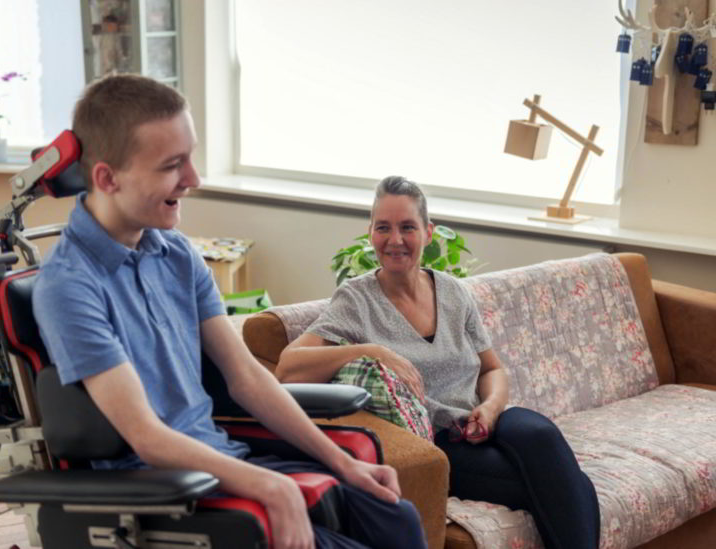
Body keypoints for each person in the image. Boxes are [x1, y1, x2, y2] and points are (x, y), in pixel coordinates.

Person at [32, 75, 427, 549]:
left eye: (191, 157)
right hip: (163, 487)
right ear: (106, 178)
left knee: (395, 518)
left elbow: (247, 376)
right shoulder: (70, 286)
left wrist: (344, 462)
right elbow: (145, 436)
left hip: (224, 455)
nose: (194, 180)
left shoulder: (176, 254)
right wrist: (271, 488)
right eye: (172, 165)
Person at [277, 175, 601, 549]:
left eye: (407, 227)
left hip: (486, 423)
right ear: (370, 233)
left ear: (428, 233)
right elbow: (288, 367)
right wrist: (370, 351)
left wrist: (491, 408)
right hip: (440, 443)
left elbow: (492, 368)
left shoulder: (452, 291)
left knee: (540, 435)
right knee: (569, 483)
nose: (394, 239)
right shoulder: (356, 299)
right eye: (383, 227)